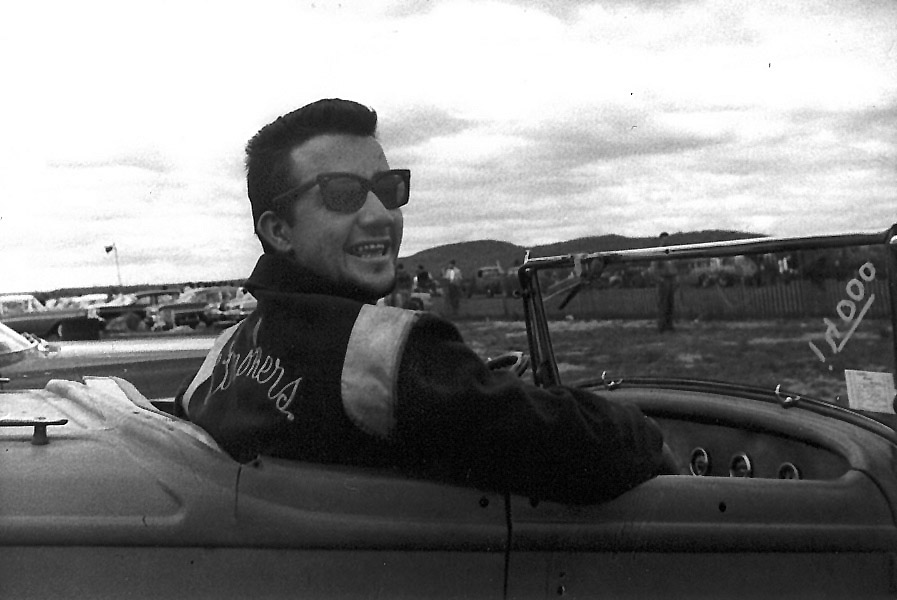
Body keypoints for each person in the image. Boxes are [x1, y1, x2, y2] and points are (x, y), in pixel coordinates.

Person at [175, 98, 669, 505]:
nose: (381, 216)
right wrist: (648, 432)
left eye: (388, 189)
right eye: (343, 194)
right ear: (279, 230)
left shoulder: (223, 356)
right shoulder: (385, 357)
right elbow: (592, 448)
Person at [652, 232, 678, 332]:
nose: (666, 240)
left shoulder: (671, 252)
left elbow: (674, 266)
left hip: (671, 279)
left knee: (671, 303)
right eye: (664, 239)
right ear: (661, 239)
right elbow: (654, 268)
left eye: (667, 238)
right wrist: (659, 279)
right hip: (663, 280)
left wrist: (675, 278)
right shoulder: (658, 252)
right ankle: (661, 326)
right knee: (663, 304)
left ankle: (669, 325)